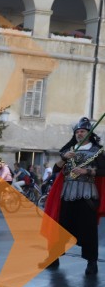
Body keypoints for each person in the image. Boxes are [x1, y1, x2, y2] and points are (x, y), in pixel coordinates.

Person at [41, 116, 105, 275]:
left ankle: (91, 263)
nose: (79, 134)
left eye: (82, 131)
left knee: (89, 231)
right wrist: (64, 158)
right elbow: (56, 170)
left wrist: (87, 171)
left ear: (89, 133)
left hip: (88, 195)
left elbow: (104, 171)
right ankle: (54, 258)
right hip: (67, 194)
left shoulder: (97, 151)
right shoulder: (69, 150)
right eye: (77, 132)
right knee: (60, 228)